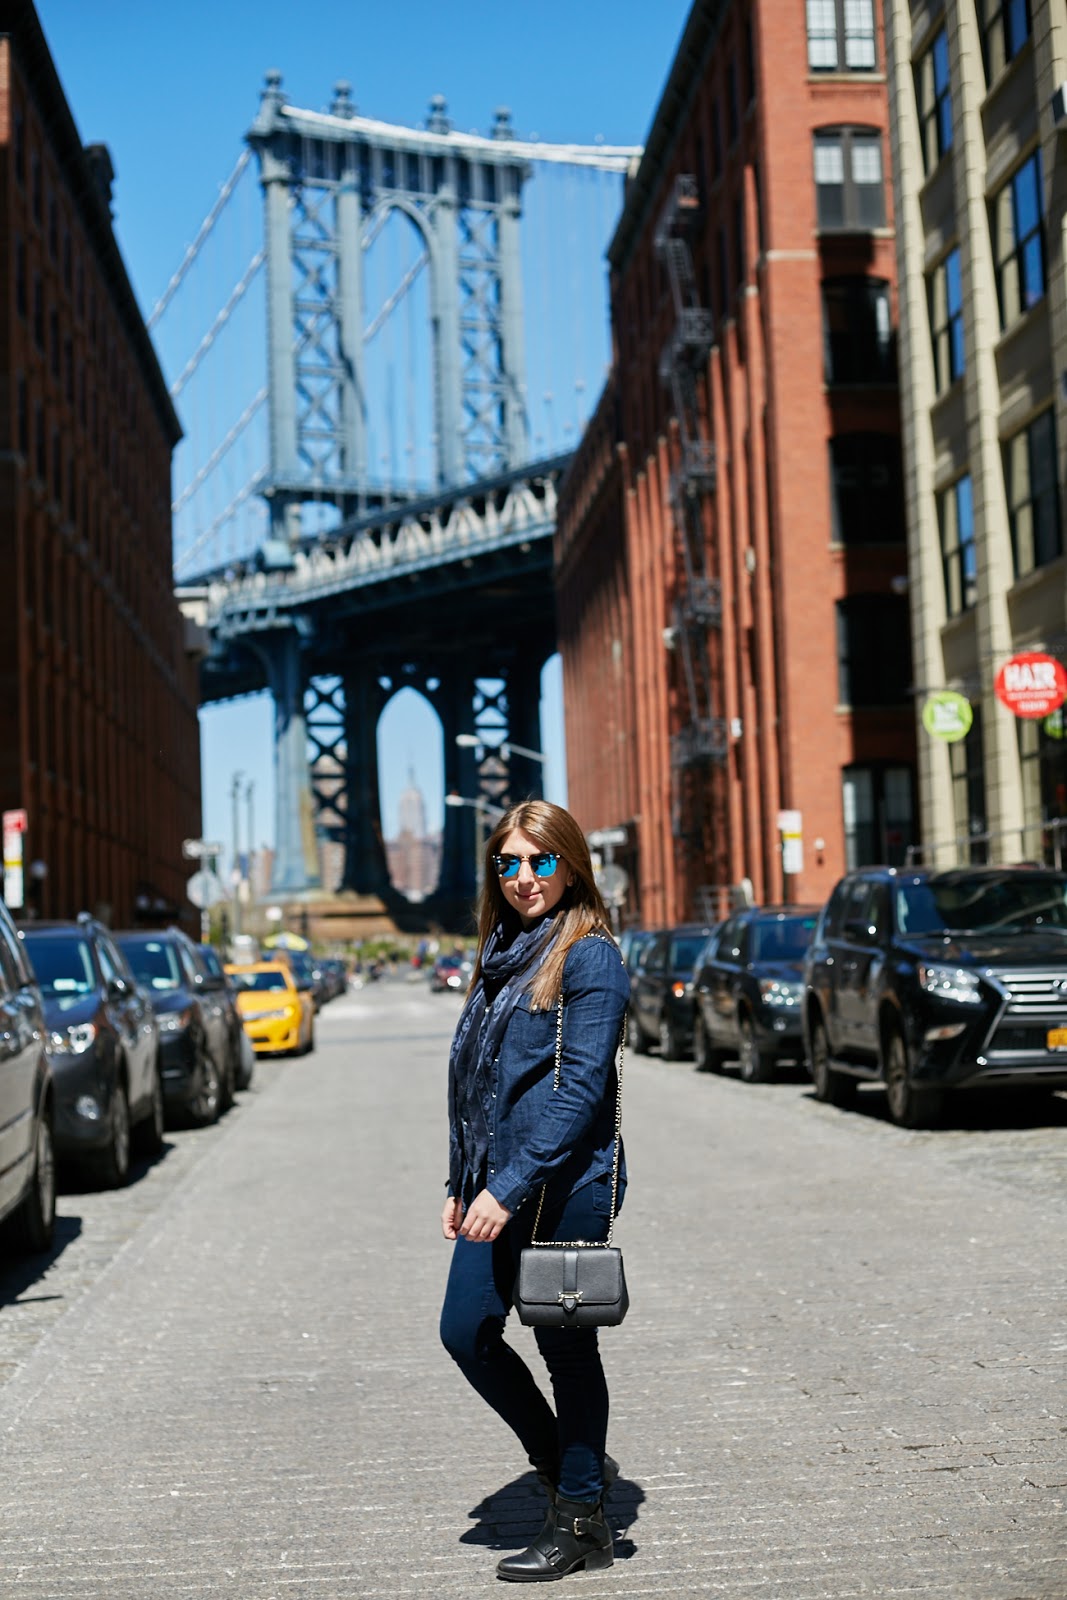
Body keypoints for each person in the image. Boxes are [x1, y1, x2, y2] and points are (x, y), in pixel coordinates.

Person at [439, 799, 630, 1582]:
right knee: (466, 1331)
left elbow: (579, 1090)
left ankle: (581, 1522)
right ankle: (566, 1466)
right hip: (496, 1184)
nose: (523, 877)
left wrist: (508, 1187)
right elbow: (478, 1081)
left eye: (540, 860)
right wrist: (462, 1180)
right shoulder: (502, 954)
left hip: (563, 1184)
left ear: (570, 867)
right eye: (508, 863)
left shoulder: (589, 957)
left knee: (564, 1349)